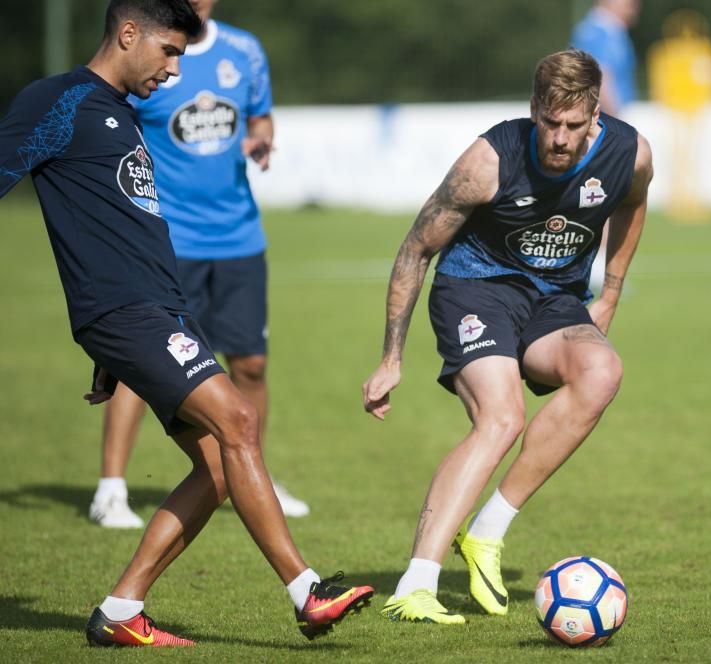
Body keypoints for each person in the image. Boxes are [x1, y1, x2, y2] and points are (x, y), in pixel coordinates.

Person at [0, 0, 372, 647]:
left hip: (154, 310)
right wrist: (106, 318)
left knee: (222, 466)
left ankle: (120, 611)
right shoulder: (56, 101)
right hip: (129, 312)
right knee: (240, 420)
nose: (175, 71)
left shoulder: (120, 113)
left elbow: (119, 228)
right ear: (127, 33)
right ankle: (307, 592)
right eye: (169, 52)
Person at [363, 49, 652, 624]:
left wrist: (611, 293)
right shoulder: (488, 160)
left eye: (574, 125)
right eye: (550, 123)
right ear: (533, 111)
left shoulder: (630, 152)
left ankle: (487, 532)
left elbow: (633, 203)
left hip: (553, 300)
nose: (561, 139)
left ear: (596, 113)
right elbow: (417, 248)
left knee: (602, 372)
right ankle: (418, 583)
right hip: (476, 289)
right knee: (500, 418)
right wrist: (391, 357)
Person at [88, 0, 309, 531]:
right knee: (145, 367)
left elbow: (260, 117)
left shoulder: (245, 51)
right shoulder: (150, 56)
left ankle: (249, 473)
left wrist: (263, 138)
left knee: (250, 363)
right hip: (167, 240)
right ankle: (111, 488)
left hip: (238, 236)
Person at [570, 0, 641, 293]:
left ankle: (594, 264)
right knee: (602, 190)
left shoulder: (608, 30)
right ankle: (593, 265)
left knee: (605, 190)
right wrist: (616, 125)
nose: (634, 6)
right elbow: (602, 78)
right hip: (603, 122)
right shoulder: (598, 31)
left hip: (605, 121)